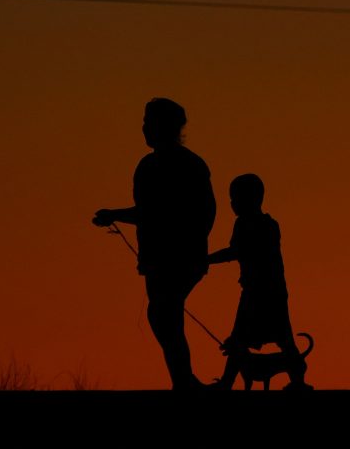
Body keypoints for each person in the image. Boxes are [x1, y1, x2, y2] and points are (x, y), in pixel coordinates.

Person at [93, 98, 216, 390]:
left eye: (149, 123)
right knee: (163, 315)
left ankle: (184, 383)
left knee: (164, 313)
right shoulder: (155, 165)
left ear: (164, 127)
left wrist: (115, 215)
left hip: (177, 258)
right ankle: (184, 382)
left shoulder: (183, 165)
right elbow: (152, 212)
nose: (145, 128)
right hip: (161, 258)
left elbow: (168, 212)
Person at [207, 173, 310, 390]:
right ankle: (228, 381)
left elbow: (235, 251)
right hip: (263, 290)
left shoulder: (258, 226)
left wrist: (206, 260)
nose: (233, 204)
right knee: (248, 339)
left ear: (252, 199)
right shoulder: (259, 224)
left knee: (272, 338)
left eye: (236, 199)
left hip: (264, 292)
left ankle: (297, 382)